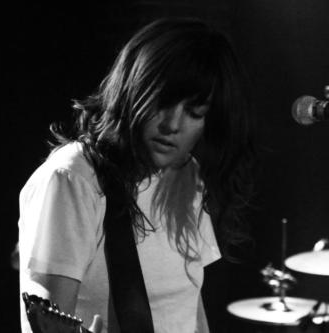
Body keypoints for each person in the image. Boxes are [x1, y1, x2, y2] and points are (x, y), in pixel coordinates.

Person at [18, 17, 255, 333]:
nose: (172, 124)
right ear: (134, 89)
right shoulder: (73, 180)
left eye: (194, 112)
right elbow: (45, 323)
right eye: (163, 102)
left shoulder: (188, 175)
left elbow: (188, 304)